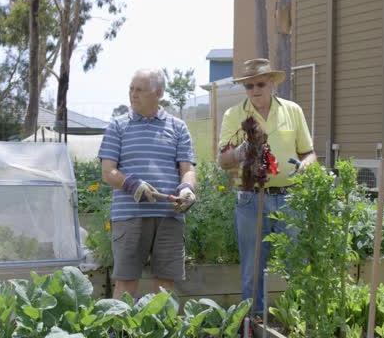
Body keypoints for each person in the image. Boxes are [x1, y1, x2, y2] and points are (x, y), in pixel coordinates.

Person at [217, 58, 318, 317]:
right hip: (251, 200)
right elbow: (222, 161)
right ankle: (253, 323)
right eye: (248, 86)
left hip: (290, 198)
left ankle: (297, 322)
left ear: (272, 83)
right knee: (252, 268)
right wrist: (240, 151)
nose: (254, 90)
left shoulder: (292, 110)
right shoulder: (234, 115)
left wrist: (305, 166)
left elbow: (309, 153)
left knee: (296, 263)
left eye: (260, 83)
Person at [98, 69, 197, 299]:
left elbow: (188, 169)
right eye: (131, 89)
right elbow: (107, 171)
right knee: (126, 283)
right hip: (129, 215)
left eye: (139, 90)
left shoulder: (178, 127)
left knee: (165, 286)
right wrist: (132, 185)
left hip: (169, 216)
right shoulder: (117, 126)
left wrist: (187, 189)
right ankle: (120, 334)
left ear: (159, 93)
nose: (133, 94)